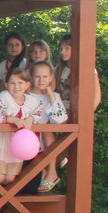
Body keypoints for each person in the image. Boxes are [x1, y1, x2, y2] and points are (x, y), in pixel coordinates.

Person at [0, 68, 42, 186]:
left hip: (14, 142)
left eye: (20, 83)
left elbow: (38, 112)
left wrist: (30, 119)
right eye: (12, 83)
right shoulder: (3, 98)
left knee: (10, 178)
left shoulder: (31, 101)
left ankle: (1, 196)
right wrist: (12, 120)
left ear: (27, 85)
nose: (16, 87)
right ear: (6, 84)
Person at [28, 61, 68, 192]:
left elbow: (60, 120)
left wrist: (50, 95)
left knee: (47, 129)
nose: (41, 80)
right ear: (31, 77)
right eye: (37, 76)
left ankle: (51, 172)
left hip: (44, 143)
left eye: (45, 77)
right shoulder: (25, 95)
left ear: (51, 78)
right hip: (26, 140)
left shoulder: (54, 96)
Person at [56, 34, 102, 114]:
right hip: (60, 114)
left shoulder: (87, 69)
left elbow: (96, 96)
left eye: (67, 48)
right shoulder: (58, 70)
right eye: (61, 48)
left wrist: (86, 114)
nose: (62, 51)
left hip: (79, 113)